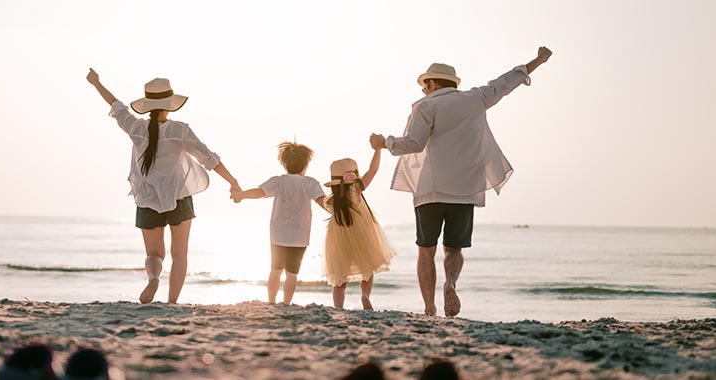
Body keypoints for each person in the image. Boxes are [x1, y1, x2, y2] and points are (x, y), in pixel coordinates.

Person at [369, 47, 553, 317]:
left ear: (432, 84)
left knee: (426, 250)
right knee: (453, 248)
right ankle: (451, 283)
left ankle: (430, 308)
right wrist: (537, 61)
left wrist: (384, 142)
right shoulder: (476, 98)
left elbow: (414, 144)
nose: (423, 92)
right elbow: (506, 82)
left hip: (430, 189)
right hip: (465, 189)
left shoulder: (426, 106)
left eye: (424, 87)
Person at [87, 69, 241, 304]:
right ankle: (172, 302)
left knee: (153, 254)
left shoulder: (136, 128)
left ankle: (153, 278)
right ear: (170, 104)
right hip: (179, 196)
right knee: (179, 255)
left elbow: (116, 105)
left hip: (147, 198)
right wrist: (233, 182)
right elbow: (208, 158)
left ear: (148, 105)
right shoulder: (179, 130)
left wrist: (96, 83)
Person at [231, 141, 327, 304]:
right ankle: (287, 303)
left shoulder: (278, 181)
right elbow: (322, 201)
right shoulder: (310, 183)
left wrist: (241, 195)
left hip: (278, 235)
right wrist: (337, 210)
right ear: (305, 164)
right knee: (292, 273)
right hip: (299, 236)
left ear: (284, 163)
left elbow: (259, 192)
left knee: (275, 270)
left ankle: (272, 301)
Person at [322, 153, 396, 309]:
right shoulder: (357, 189)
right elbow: (373, 170)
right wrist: (377, 150)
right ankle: (365, 295)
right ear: (354, 175)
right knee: (367, 268)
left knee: (339, 276)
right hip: (362, 233)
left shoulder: (331, 200)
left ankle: (338, 307)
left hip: (339, 238)